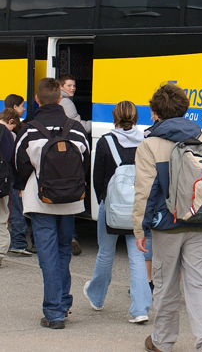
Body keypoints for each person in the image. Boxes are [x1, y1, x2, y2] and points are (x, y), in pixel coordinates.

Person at [132, 83, 202, 352]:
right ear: (185, 109)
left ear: (154, 112)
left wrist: (140, 229)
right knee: (201, 283)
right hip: (201, 221)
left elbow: (145, 192)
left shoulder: (150, 145)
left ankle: (162, 341)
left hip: (167, 226)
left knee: (165, 285)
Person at [13, 78, 89, 329]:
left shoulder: (28, 130)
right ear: (60, 99)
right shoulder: (76, 128)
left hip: (41, 200)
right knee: (63, 251)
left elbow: (18, 164)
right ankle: (63, 302)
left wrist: (26, 185)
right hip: (70, 202)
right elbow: (84, 162)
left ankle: (55, 311)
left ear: (37, 100)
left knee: (47, 254)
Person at [83, 101, 151, 324]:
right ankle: (140, 308)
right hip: (139, 208)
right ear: (135, 117)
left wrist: (105, 201)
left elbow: (97, 178)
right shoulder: (146, 142)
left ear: (115, 117)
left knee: (105, 252)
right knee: (138, 256)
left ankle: (97, 297)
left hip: (112, 207)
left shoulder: (105, 142)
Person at [58, 74, 91, 256]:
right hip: (70, 153)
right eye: (69, 85)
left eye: (74, 86)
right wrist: (96, 124)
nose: (72, 88)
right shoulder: (67, 103)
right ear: (61, 86)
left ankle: (69, 236)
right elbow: (78, 126)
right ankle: (70, 236)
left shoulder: (58, 101)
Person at [4, 95, 33, 256]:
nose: (24, 109)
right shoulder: (13, 134)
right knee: (16, 208)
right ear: (15, 108)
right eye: (22, 106)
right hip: (12, 178)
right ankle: (19, 242)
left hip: (5, 177)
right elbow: (15, 160)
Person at [0, 108, 18, 265]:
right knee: (1, 218)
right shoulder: (8, 135)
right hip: (2, 184)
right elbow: (11, 160)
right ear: (10, 121)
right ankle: (0, 252)